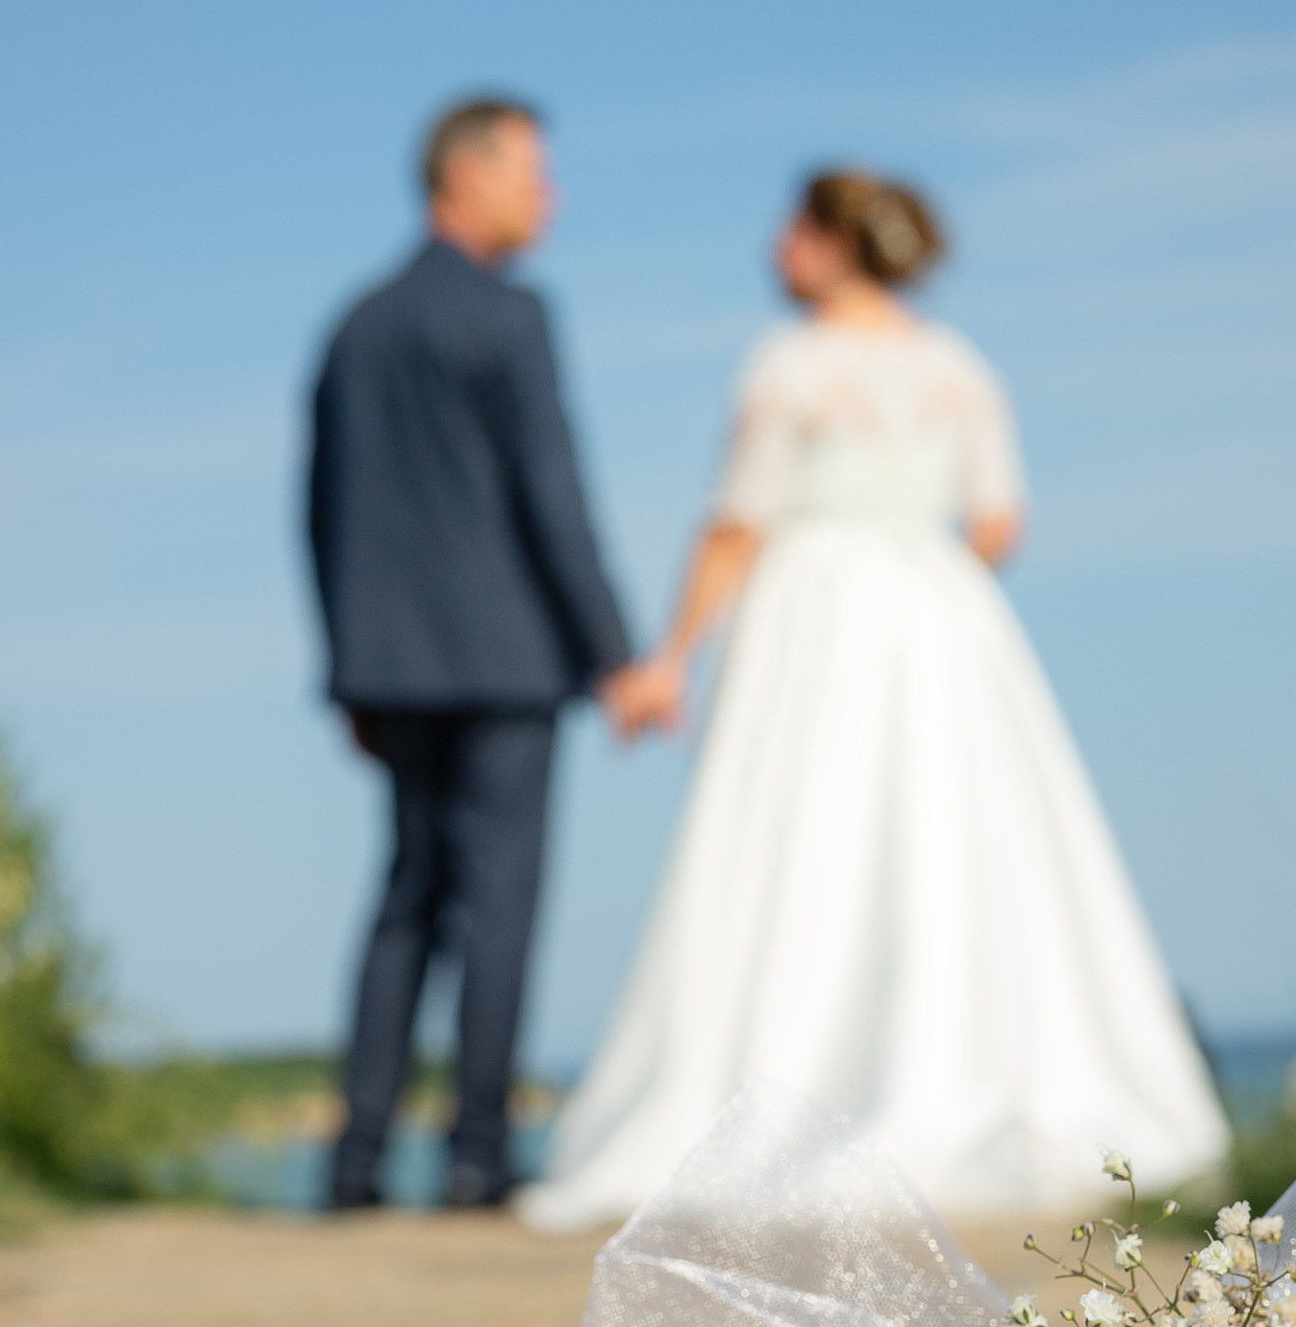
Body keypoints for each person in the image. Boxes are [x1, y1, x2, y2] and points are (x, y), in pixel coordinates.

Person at [519, 166, 1230, 1230]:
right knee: (956, 841)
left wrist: (673, 654)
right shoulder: (959, 366)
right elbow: (997, 521)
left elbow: (736, 520)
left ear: (834, 242)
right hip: (937, 614)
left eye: (792, 231)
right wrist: (920, 568)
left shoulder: (790, 362)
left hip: (814, 615)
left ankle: (788, 1088)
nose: (775, 250)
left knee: (799, 843)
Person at [306, 95, 650, 1210]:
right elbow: (553, 489)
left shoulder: (355, 325)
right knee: (499, 900)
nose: (551, 200)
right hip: (508, 659)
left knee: (408, 893)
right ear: (466, 175)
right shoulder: (512, 316)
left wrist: (346, 669)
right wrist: (615, 651)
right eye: (533, 176)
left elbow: (322, 510)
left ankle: (356, 1157)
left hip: (391, 665)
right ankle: (476, 1153)